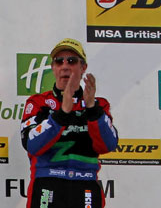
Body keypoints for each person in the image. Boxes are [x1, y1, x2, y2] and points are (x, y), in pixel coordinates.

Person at [20, 38, 118, 208]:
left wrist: (92, 108)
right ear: (53, 68)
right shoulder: (38, 103)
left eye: (71, 61)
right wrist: (61, 114)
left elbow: (108, 145)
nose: (65, 66)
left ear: (83, 68)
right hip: (47, 183)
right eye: (59, 61)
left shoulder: (99, 105)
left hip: (85, 184)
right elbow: (32, 145)